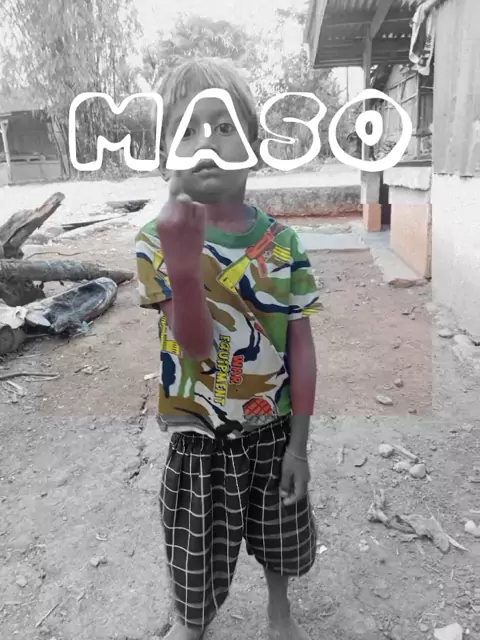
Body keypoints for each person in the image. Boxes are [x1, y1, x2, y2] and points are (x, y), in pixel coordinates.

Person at [135, 57, 321, 640]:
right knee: (194, 551)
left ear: (255, 148)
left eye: (223, 127)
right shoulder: (155, 242)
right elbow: (197, 349)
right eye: (187, 130)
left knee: (279, 532)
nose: (206, 142)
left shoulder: (284, 244)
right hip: (198, 436)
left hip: (271, 431)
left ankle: (279, 610)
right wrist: (184, 266)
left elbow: (302, 349)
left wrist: (299, 447)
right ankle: (192, 622)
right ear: (166, 156)